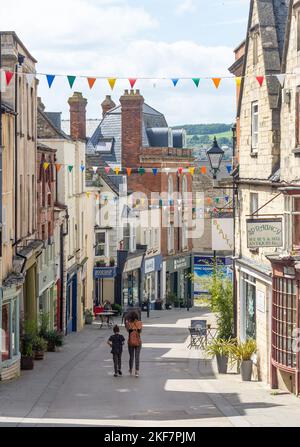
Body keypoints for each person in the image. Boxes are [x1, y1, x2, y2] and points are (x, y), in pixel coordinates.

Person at [126, 311, 143, 377]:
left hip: (130, 342)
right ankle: (137, 371)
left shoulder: (128, 324)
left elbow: (127, 330)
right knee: (137, 357)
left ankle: (130, 369)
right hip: (138, 342)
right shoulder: (139, 323)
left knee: (131, 356)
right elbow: (140, 331)